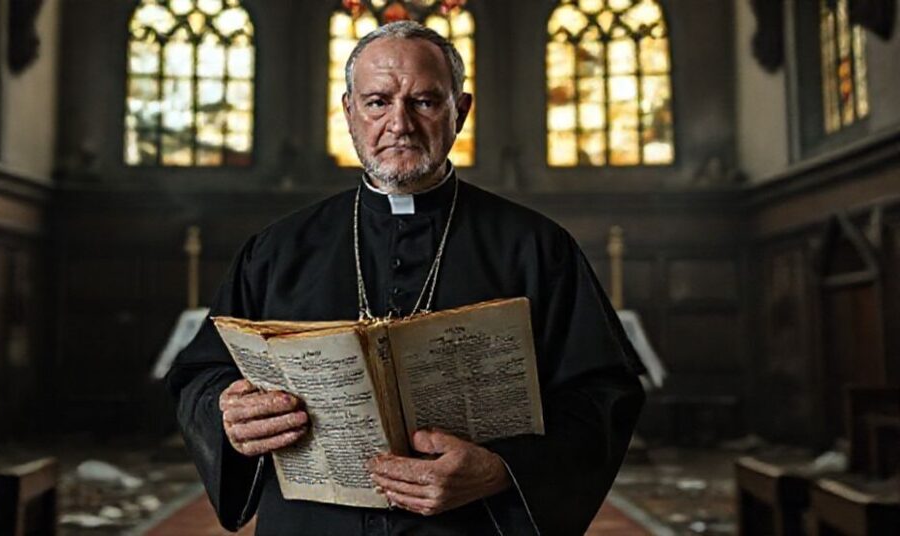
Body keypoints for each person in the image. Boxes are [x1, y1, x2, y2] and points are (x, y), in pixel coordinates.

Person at [168, 21, 645, 536]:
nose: (399, 124)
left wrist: (501, 470)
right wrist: (230, 413)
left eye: (424, 102)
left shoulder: (537, 247)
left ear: (459, 112)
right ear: (349, 111)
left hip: (469, 526)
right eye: (377, 103)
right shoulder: (277, 249)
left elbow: (603, 395)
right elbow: (202, 373)